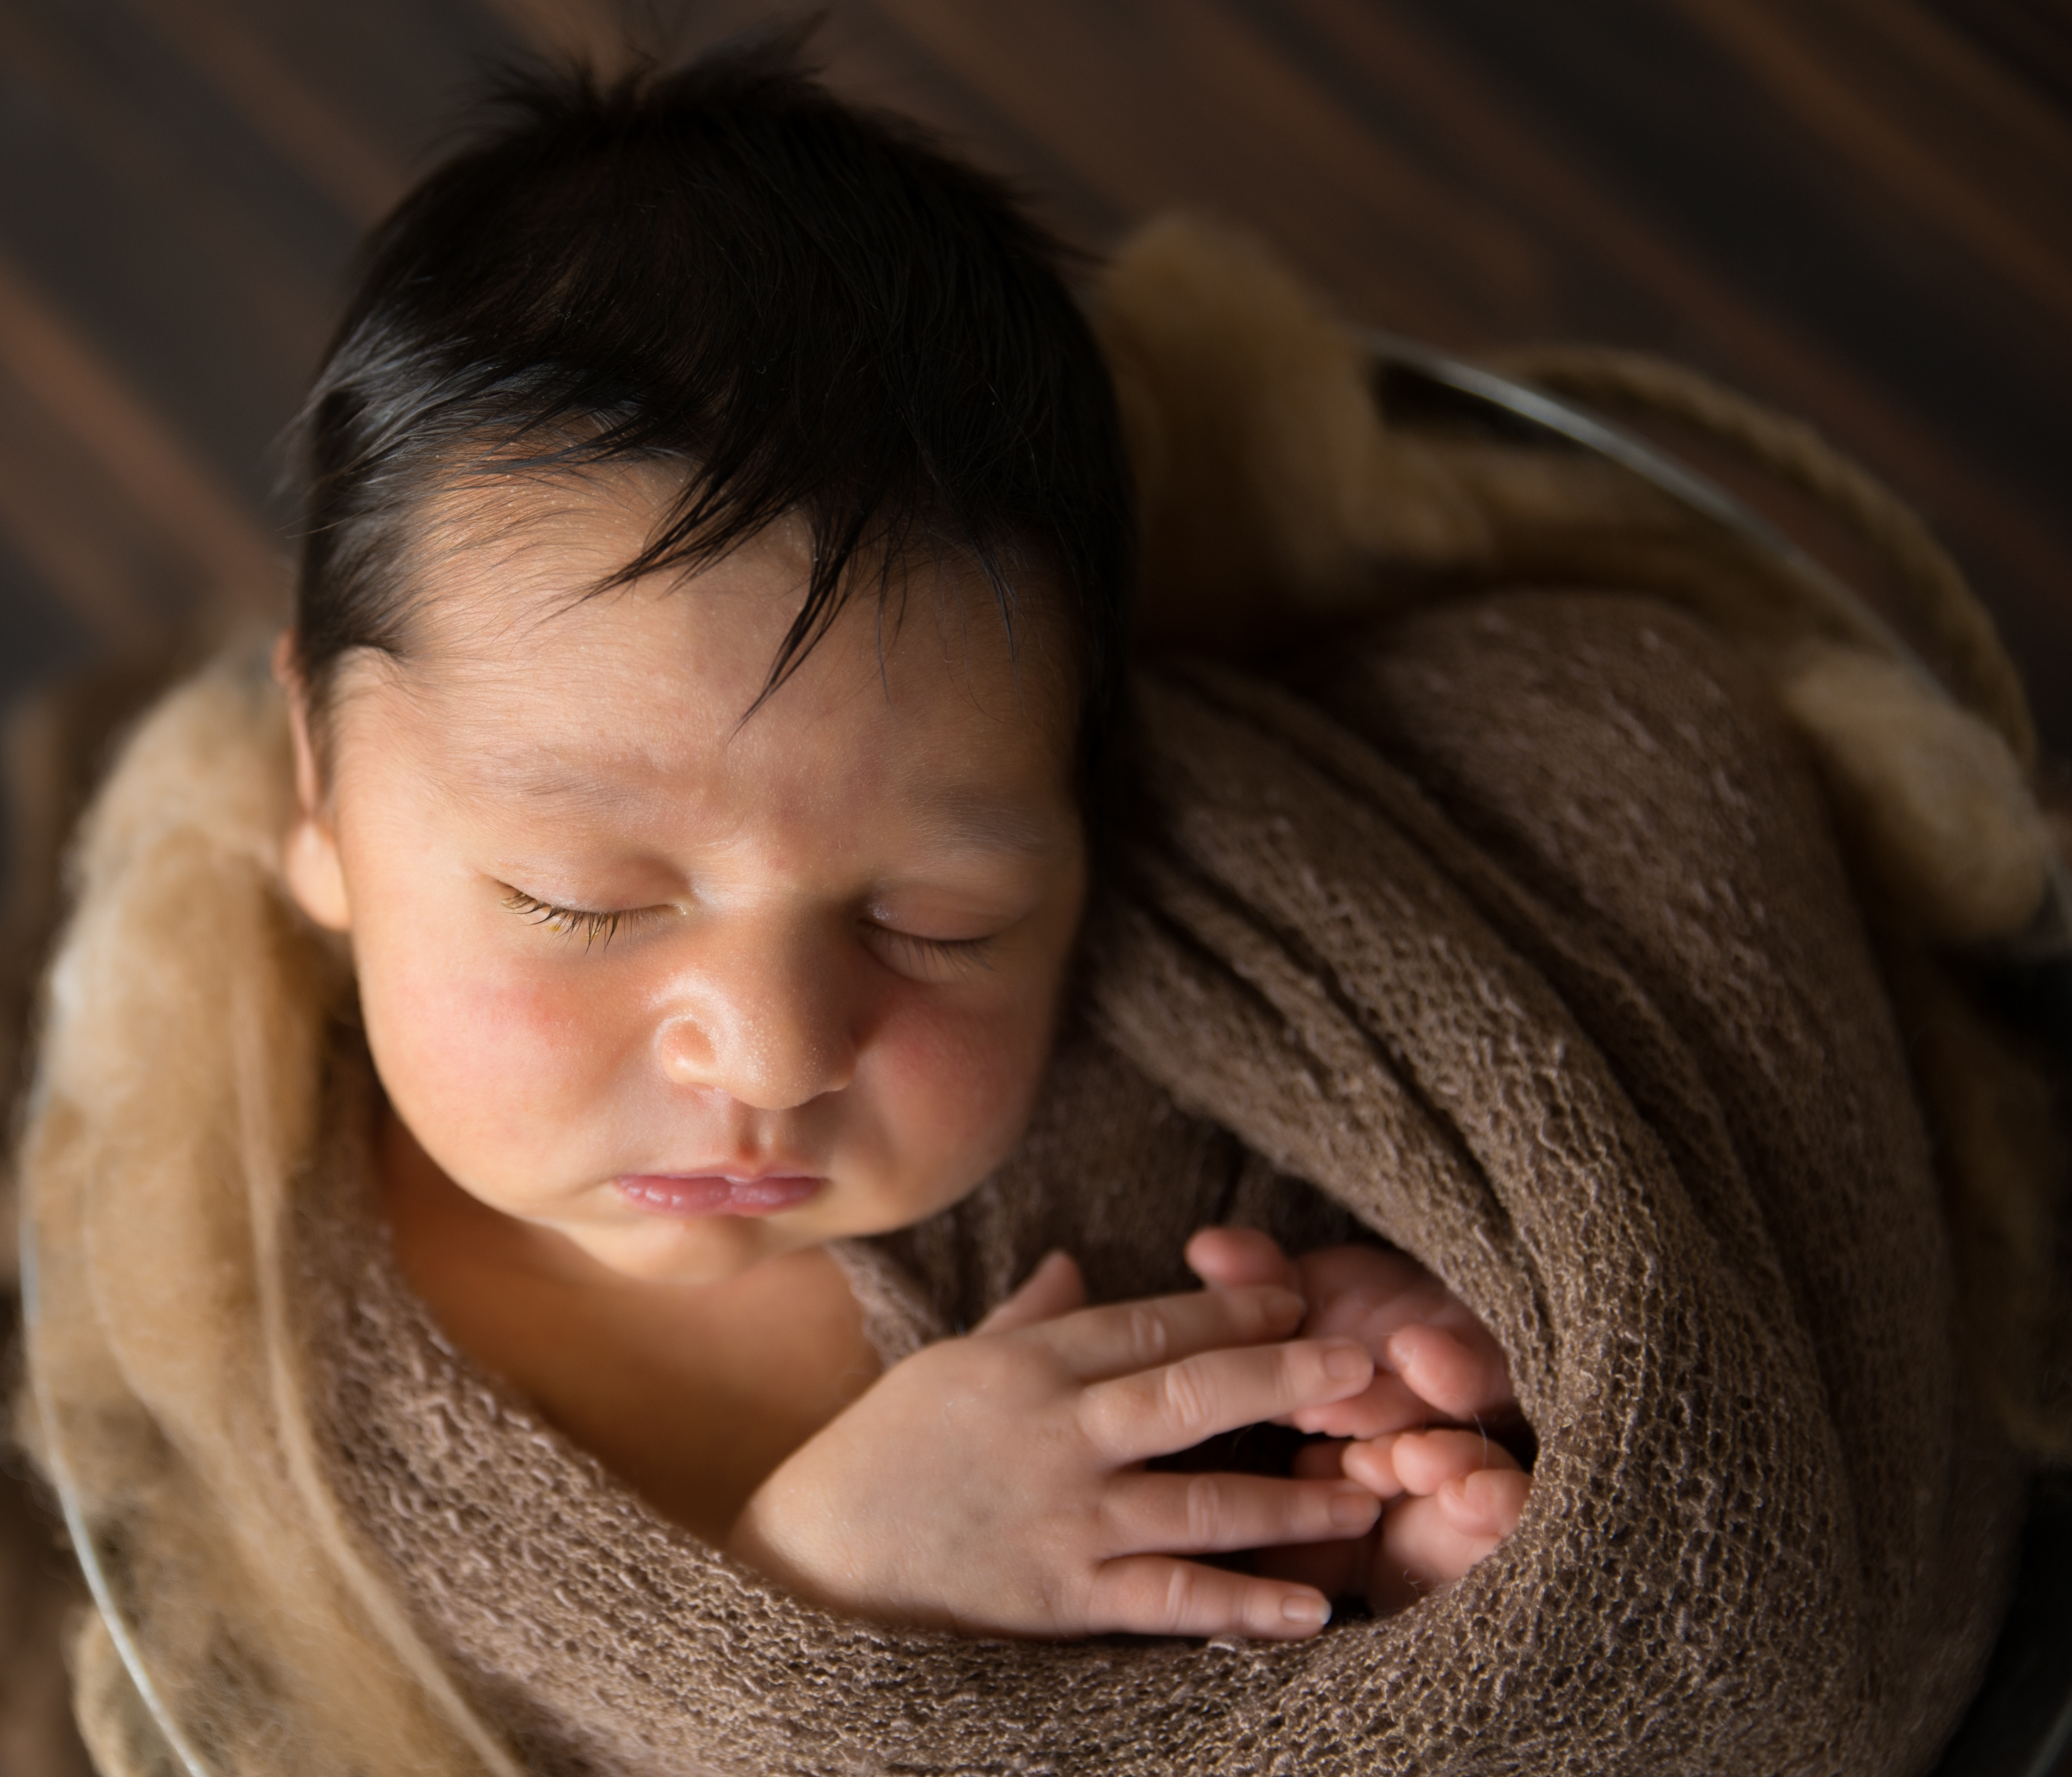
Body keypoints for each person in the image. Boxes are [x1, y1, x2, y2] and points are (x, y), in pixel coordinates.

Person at [267, 32, 1528, 1646]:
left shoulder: (1163, 1183)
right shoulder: (266, 1311)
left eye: (942, 922)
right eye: (580, 900)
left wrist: (1349, 1421)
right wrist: (821, 1596)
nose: (775, 1053)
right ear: (317, 787)